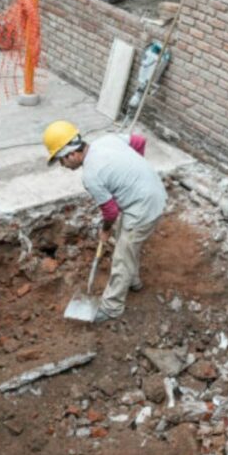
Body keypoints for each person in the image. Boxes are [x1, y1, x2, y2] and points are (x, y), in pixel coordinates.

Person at [43, 120, 167, 323]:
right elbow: (139, 141)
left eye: (61, 161)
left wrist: (105, 230)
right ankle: (133, 280)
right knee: (124, 237)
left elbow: (110, 212)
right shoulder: (107, 140)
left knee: (121, 256)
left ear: (72, 154)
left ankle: (111, 307)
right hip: (153, 190)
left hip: (144, 207)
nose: (63, 166)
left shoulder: (91, 175)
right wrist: (134, 174)